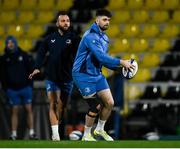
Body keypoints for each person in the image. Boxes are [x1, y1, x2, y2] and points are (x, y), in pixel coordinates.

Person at [72, 9, 134, 141]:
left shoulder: (105, 38)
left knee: (110, 103)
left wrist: (120, 70)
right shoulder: (89, 36)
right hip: (82, 75)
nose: (107, 22)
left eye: (109, 20)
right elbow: (101, 56)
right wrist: (122, 62)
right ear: (97, 20)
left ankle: (99, 129)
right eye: (104, 19)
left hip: (97, 74)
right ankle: (86, 135)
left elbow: (102, 60)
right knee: (95, 106)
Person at [29, 11, 80, 141]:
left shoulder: (74, 39)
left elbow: (81, 55)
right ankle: (55, 135)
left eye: (67, 20)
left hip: (67, 78)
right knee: (53, 103)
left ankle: (59, 125)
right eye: (63, 21)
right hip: (51, 77)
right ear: (57, 23)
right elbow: (40, 54)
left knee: (62, 107)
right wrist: (36, 67)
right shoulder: (49, 39)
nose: (66, 23)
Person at [0, 36, 36, 140]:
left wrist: (30, 85)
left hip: (25, 88)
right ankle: (14, 134)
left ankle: (32, 133)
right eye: (8, 42)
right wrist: (6, 89)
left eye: (12, 42)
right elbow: (2, 75)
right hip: (12, 89)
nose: (10, 44)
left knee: (28, 109)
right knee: (14, 111)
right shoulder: (3, 58)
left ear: (15, 43)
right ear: (6, 44)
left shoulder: (24, 55)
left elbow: (31, 71)